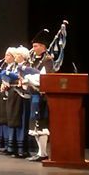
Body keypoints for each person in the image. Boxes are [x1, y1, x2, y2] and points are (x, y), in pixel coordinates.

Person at [26, 33, 55, 162]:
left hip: (42, 96)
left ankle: (43, 153)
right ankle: (40, 152)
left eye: (36, 46)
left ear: (43, 46)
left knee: (41, 124)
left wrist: (30, 78)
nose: (34, 48)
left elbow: (46, 77)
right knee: (35, 125)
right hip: (34, 94)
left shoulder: (47, 59)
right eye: (32, 46)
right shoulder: (33, 60)